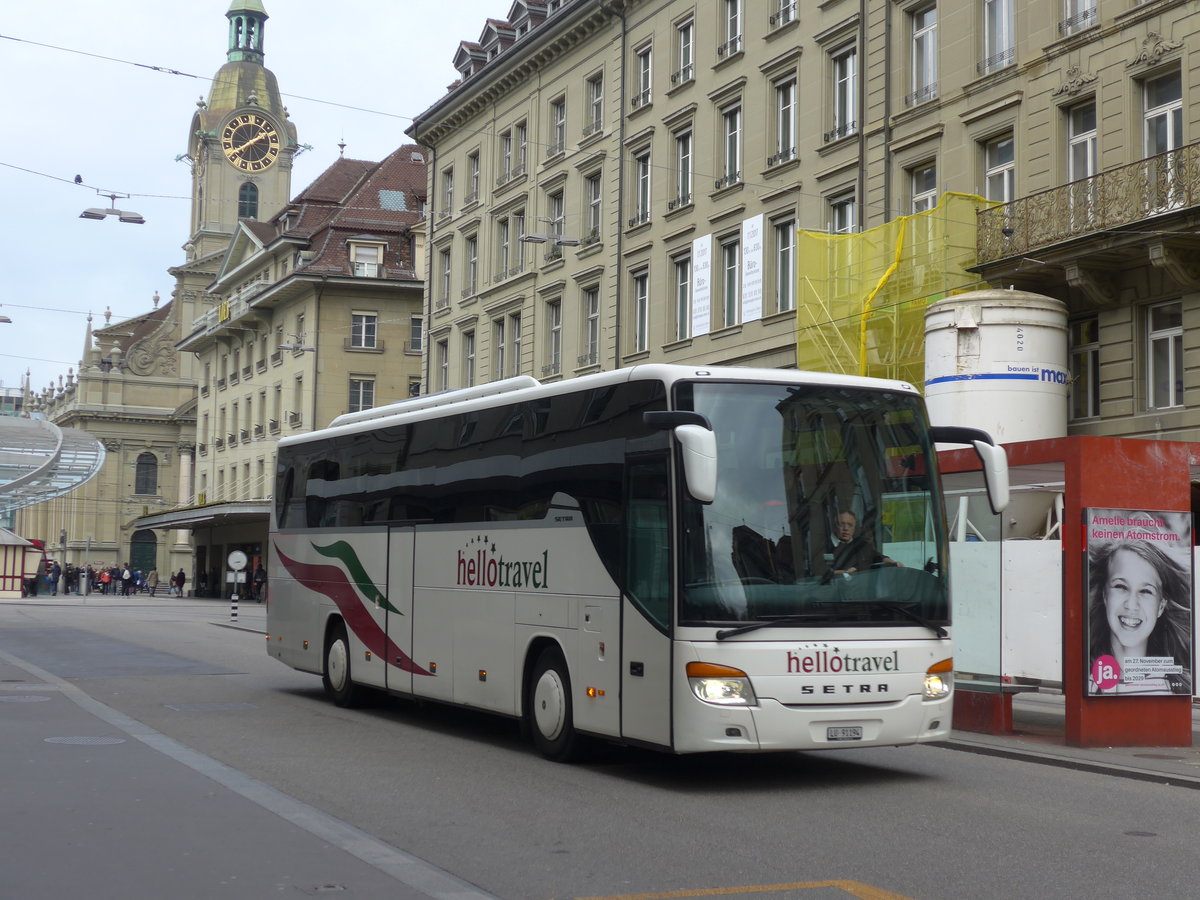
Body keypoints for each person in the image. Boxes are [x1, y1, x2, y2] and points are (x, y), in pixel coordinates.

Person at [1087, 539, 1191, 695]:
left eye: (1145, 591)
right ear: (1105, 595)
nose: (1131, 604)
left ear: (1161, 606)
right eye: (1121, 586)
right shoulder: (1086, 681)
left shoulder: (1178, 688)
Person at [828, 510, 901, 576]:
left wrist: (894, 563)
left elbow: (877, 557)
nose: (846, 528)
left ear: (854, 528)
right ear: (835, 525)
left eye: (850, 525)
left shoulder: (862, 546)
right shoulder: (823, 546)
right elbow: (820, 573)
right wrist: (844, 572)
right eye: (842, 524)